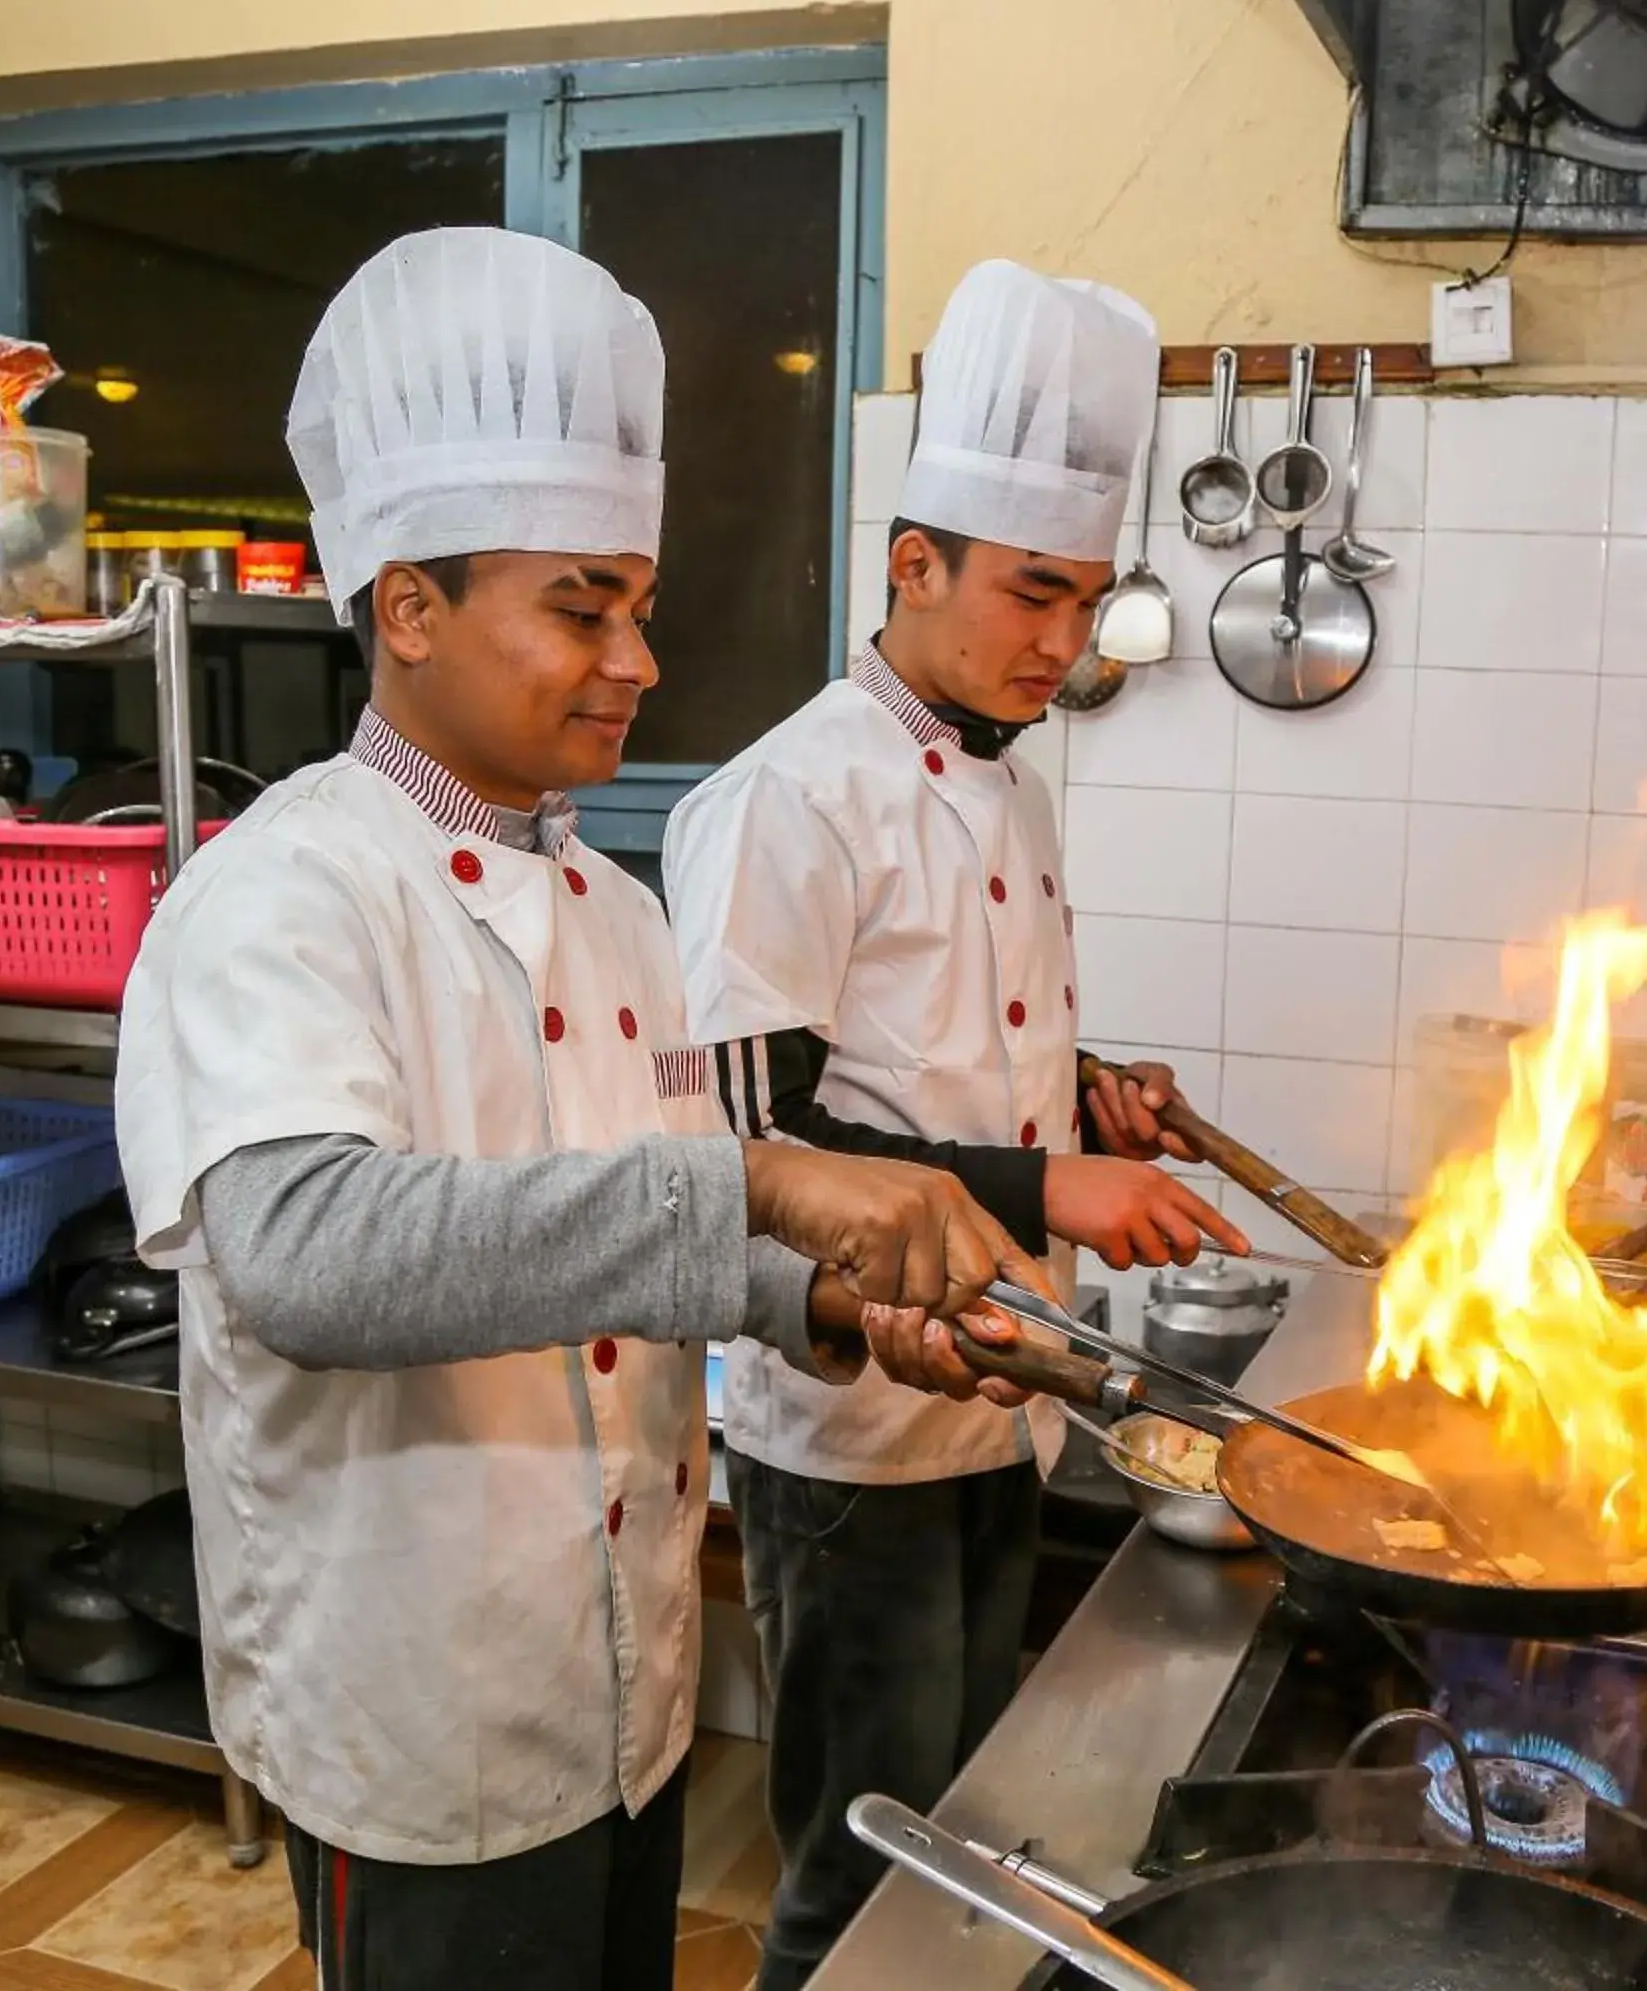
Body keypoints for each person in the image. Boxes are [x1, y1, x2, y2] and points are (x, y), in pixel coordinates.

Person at [114, 227, 1040, 1991]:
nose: (639, 658)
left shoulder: (616, 914)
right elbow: (310, 1257)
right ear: (407, 605)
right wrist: (771, 1191)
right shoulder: (281, 894)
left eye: (636, 604)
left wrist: (838, 1308)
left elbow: (658, 1225)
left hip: (620, 1679)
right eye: (581, 606)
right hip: (422, 1707)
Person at [663, 258, 1247, 1991]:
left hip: (1006, 1390)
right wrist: (1052, 1170)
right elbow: (756, 1131)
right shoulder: (784, 799)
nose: (1063, 645)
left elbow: (931, 1063)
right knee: (865, 1868)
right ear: (911, 564)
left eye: (1086, 604)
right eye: (1033, 594)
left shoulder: (1009, 780)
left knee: (969, 1843)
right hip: (852, 1426)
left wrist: (1086, 1090)